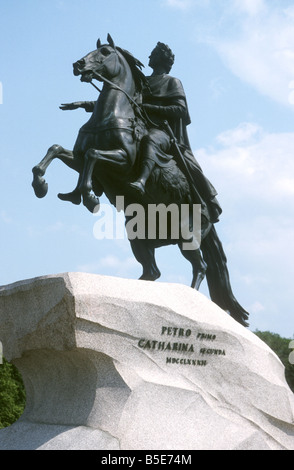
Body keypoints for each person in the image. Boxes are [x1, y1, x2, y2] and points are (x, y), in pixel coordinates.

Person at [129, 42, 222, 223]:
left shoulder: (172, 82)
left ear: (162, 59)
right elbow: (124, 102)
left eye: (153, 54)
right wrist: (86, 105)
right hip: (138, 126)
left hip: (162, 132)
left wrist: (149, 107)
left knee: (150, 140)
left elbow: (180, 110)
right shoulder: (142, 82)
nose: (149, 57)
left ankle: (141, 180)